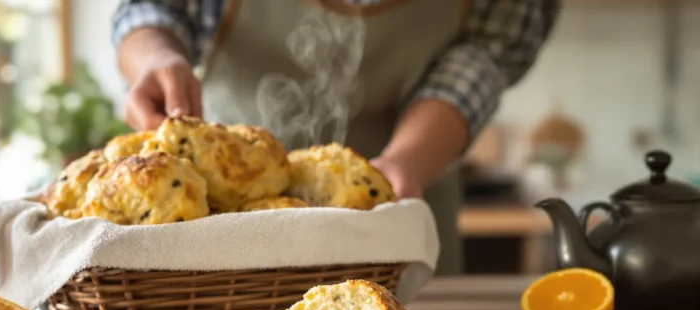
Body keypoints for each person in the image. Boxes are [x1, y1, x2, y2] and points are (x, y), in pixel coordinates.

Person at [112, 0, 559, 275]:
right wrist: (156, 56)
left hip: (401, 208)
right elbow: (152, 8)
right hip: (221, 230)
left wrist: (406, 162)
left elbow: (483, 57)